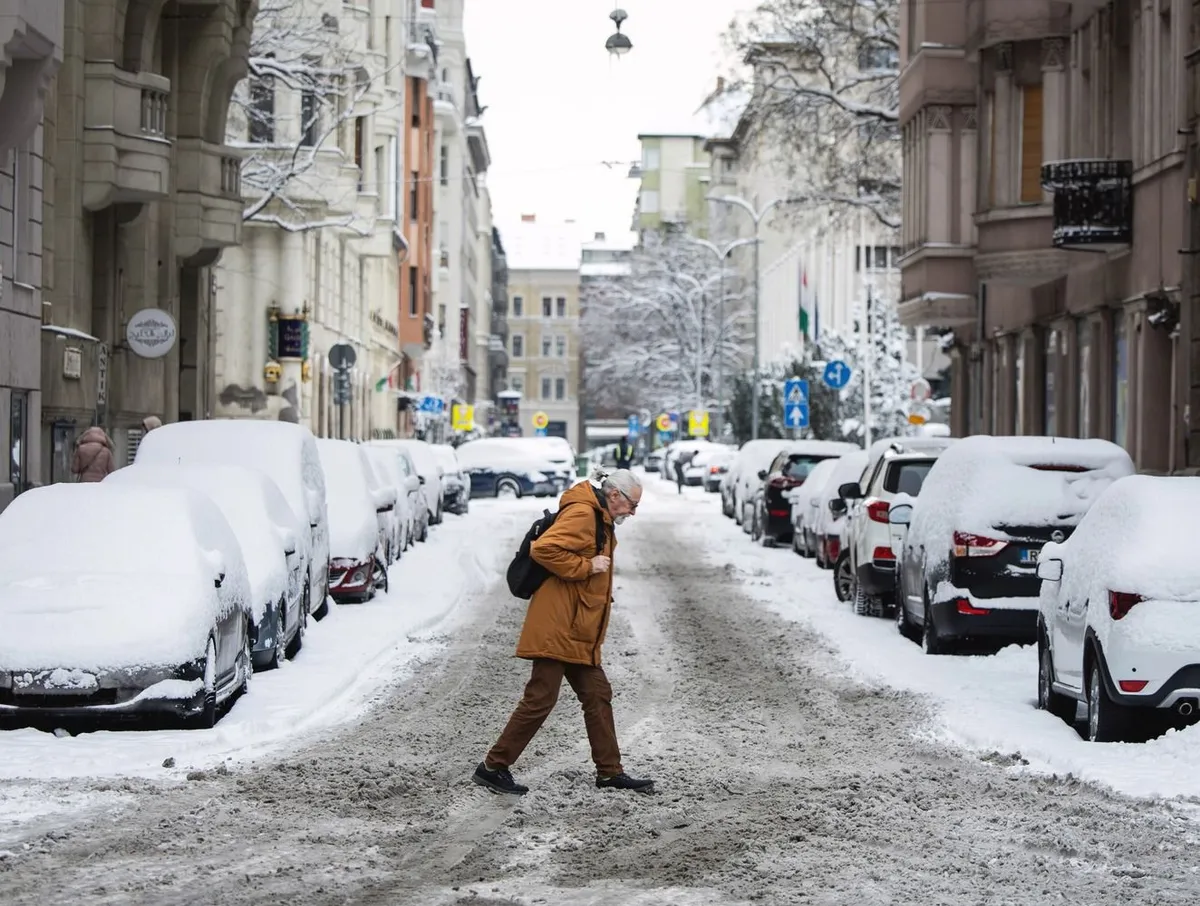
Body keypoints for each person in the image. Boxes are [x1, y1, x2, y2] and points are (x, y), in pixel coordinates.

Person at [473, 469, 653, 796]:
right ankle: (493, 767)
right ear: (615, 495)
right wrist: (587, 567)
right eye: (633, 504)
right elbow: (544, 549)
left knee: (597, 694)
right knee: (541, 698)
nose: (633, 512)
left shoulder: (599, 517)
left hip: (576, 628)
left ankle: (610, 772)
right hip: (559, 625)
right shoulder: (584, 514)